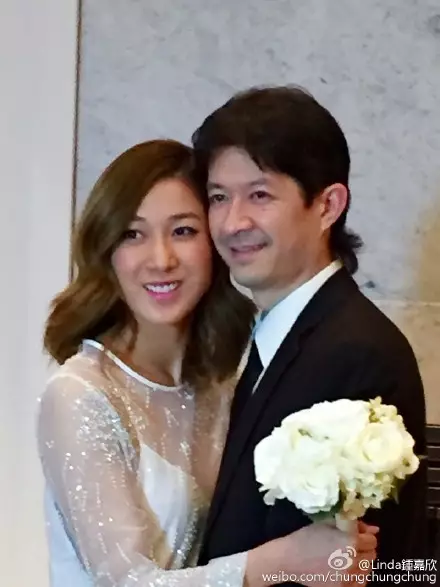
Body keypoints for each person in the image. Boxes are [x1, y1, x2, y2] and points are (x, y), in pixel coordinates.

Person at [37, 139, 376, 587]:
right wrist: (277, 562)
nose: (161, 260)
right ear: (106, 250)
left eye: (183, 231)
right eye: (133, 234)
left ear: (215, 242)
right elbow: (125, 582)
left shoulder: (227, 380)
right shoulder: (81, 394)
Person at [192, 86, 428, 585]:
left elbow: (374, 568)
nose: (232, 222)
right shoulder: (266, 335)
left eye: (260, 195)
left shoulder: (357, 354)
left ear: (327, 205)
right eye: (218, 197)